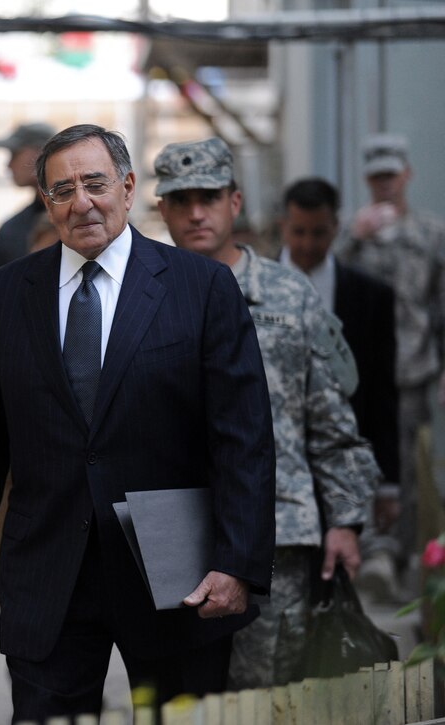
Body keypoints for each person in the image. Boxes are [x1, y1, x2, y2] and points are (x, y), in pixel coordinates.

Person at [0, 123, 276, 721]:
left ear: (126, 186)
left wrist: (237, 560)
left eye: (94, 183)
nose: (81, 202)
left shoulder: (201, 288)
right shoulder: (2, 296)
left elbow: (242, 439)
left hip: (176, 570)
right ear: (46, 202)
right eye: (62, 190)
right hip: (48, 570)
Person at [154, 137, 379, 688]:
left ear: (235, 202)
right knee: (179, 698)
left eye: (208, 197)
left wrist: (345, 520)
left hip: (278, 533)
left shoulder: (288, 294)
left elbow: (330, 422)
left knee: (270, 696)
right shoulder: (143, 295)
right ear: (162, 209)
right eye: (180, 200)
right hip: (173, 533)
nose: (196, 213)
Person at [279, 177, 400, 598]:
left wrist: (388, 484)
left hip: (344, 464)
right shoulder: (244, 289)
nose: (308, 244)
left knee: (336, 583)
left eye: (319, 232)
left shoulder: (370, 296)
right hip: (276, 470)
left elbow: (384, 392)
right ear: (283, 227)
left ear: (336, 227)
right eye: (299, 232)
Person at [333, 133, 445, 590]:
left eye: (391, 175)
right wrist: (353, 238)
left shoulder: (431, 233)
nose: (385, 184)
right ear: (368, 179)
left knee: (413, 470)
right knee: (363, 463)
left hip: (412, 370)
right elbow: (320, 279)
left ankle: (407, 562)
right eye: (377, 176)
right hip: (358, 374)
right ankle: (371, 553)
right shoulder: (349, 234)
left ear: (406, 176)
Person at [0, 121, 55, 271]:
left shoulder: (82, 216)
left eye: (15, 153)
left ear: (40, 153)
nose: (8, 164)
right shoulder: (11, 230)